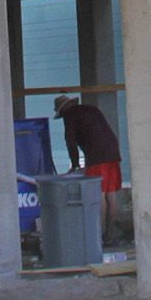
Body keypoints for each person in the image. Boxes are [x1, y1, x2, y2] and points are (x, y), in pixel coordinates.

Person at [55, 93, 121, 242]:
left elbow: (70, 142)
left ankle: (99, 234)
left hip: (97, 156)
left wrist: (75, 164)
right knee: (111, 194)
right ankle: (110, 234)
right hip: (113, 152)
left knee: (99, 194)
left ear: (63, 110)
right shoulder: (91, 109)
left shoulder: (70, 116)